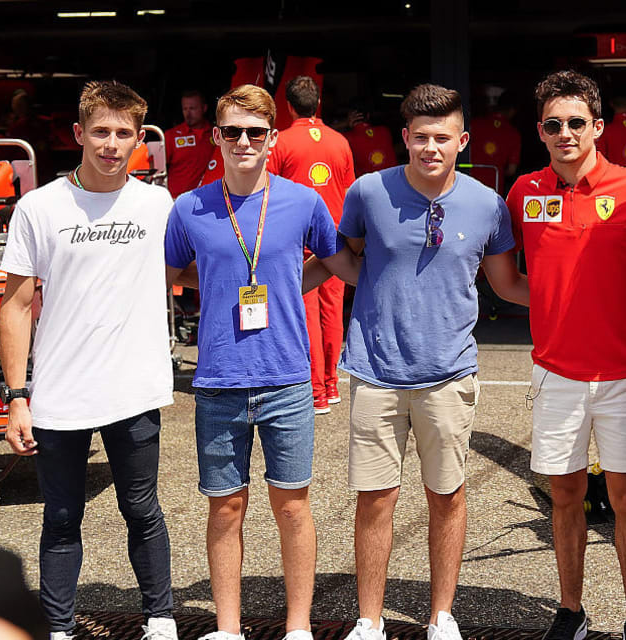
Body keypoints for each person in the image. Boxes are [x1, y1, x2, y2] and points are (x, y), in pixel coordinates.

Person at [164, 84, 360, 640]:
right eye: (233, 132)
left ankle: (298, 627)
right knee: (225, 509)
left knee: (292, 507)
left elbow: (337, 263)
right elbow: (172, 272)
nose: (244, 141)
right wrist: (222, 283)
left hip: (287, 379)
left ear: (273, 138)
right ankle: (228, 628)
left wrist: (290, 284)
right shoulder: (189, 207)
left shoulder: (303, 202)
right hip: (219, 380)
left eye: (255, 132)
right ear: (216, 136)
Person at [338, 83, 527, 640]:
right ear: (405, 137)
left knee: (447, 496)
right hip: (376, 370)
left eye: (442, 138)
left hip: (449, 374)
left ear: (462, 141)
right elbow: (342, 257)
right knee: (376, 499)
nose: (430, 148)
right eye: (421, 137)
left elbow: (507, 285)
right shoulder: (368, 192)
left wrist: (582, 300)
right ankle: (369, 619)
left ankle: (441, 615)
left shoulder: (487, 204)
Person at [0, 80, 177, 640]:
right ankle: (58, 628)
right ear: (79, 133)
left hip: (135, 387)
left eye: (124, 133)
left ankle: (161, 619)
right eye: (101, 131)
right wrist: (17, 397)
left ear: (139, 141)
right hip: (60, 392)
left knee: (142, 510)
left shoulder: (158, 205)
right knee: (60, 518)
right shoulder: (39, 207)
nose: (111, 144)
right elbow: (15, 306)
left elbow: (198, 270)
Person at [505, 71, 626, 640]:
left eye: (575, 122)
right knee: (564, 496)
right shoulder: (524, 192)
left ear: (597, 126)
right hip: (556, 374)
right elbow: (507, 279)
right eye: (553, 124)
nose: (564, 133)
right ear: (540, 131)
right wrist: (553, 299)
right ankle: (571, 611)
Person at [268, 75, 356, 413]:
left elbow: (268, 194)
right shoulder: (340, 141)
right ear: (318, 104)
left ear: (288, 107)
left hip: (298, 239)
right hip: (334, 237)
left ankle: (315, 390)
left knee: (304, 311)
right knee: (333, 311)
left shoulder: (281, 142)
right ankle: (330, 384)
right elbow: (348, 193)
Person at [469, 91, 521, 193]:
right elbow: (511, 170)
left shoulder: (473, 124)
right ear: (512, 110)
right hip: (494, 189)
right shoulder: (513, 133)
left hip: (468, 184)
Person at [164, 90, 213, 197]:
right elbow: (157, 169)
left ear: (204, 108)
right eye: (185, 109)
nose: (188, 113)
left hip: (208, 198)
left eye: (192, 108)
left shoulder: (216, 134)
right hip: (177, 198)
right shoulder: (171, 135)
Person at [344, 105, 397, 177]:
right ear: (368, 116)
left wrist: (345, 124)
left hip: (367, 182)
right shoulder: (384, 130)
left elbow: (329, 133)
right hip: (393, 177)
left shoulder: (347, 138)